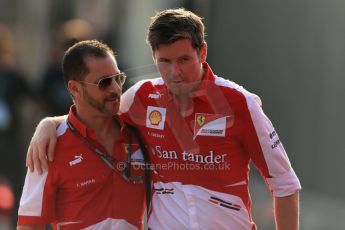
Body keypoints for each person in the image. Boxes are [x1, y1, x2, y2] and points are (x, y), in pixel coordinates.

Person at [26, 8, 301, 230]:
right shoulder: (142, 96)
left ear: (202, 52)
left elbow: (285, 184)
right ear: (153, 57)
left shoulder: (240, 103)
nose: (175, 72)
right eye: (165, 62)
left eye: (183, 60)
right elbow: (97, 112)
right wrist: (49, 124)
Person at [17, 40, 146, 229]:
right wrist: (47, 124)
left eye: (118, 78)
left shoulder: (138, 128)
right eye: (104, 82)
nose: (115, 89)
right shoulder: (48, 148)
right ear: (75, 88)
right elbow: (29, 226)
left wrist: (49, 121)